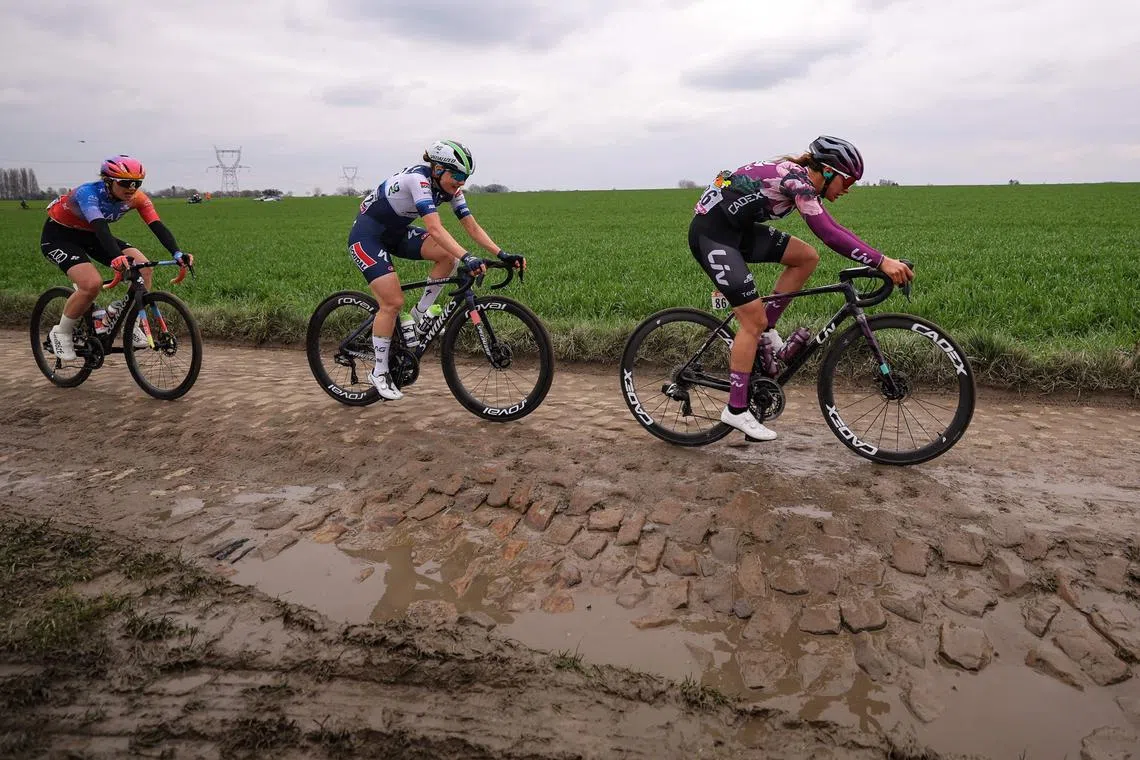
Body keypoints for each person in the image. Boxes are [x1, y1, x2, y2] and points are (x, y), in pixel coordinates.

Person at [688, 135, 913, 441]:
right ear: (829, 172)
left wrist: (881, 259)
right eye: (847, 181)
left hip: (737, 230)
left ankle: (767, 332)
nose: (848, 189)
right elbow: (829, 233)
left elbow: (835, 228)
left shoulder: (801, 179)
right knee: (751, 321)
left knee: (805, 257)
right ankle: (736, 409)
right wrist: (881, 261)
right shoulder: (797, 182)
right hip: (713, 236)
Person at [347, 139, 524, 401]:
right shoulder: (418, 180)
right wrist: (468, 257)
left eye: (465, 178)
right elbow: (435, 228)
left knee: (447, 257)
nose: (461, 183)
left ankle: (418, 318)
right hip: (367, 237)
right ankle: (380, 372)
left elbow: (472, 227)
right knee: (392, 302)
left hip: (396, 234)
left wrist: (502, 254)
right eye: (458, 176)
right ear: (438, 169)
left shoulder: (450, 189)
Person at [39, 155, 194, 361]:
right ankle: (61, 332)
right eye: (125, 183)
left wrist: (177, 253)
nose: (132, 188)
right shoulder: (88, 193)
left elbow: (157, 225)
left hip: (92, 235)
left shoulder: (137, 198)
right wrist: (116, 257)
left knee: (144, 268)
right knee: (91, 284)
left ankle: (128, 321)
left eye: (137, 183)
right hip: (60, 236)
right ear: (108, 181)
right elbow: (101, 227)